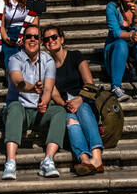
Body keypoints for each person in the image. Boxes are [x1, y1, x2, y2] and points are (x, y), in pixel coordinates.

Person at [1, 23, 67, 180]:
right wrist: (32, 89)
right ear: (23, 40)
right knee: (15, 106)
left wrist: (44, 102)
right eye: (28, 36)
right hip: (19, 112)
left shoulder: (48, 61)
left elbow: (48, 89)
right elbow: (18, 82)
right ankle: (10, 162)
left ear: (41, 42)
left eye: (36, 37)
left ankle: (48, 160)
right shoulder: (14, 59)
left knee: (59, 111)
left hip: (37, 111)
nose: (32, 40)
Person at [43, 24, 105, 176]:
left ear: (62, 39)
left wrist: (80, 99)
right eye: (46, 39)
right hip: (67, 105)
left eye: (54, 37)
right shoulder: (47, 66)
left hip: (85, 100)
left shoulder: (75, 56)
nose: (51, 41)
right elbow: (54, 94)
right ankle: (84, 160)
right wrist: (65, 104)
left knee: (83, 109)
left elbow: (89, 83)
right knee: (71, 121)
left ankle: (97, 158)